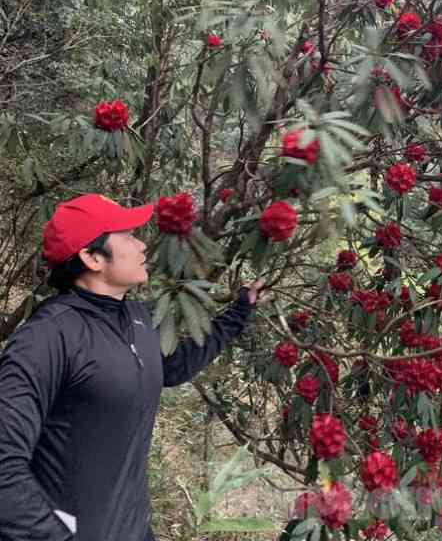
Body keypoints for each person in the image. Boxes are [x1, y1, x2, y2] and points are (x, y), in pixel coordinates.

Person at [0, 193, 267, 541]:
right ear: (91, 257)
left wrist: (238, 312)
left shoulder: (138, 319)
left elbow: (174, 368)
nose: (142, 245)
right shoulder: (46, 338)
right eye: (127, 236)